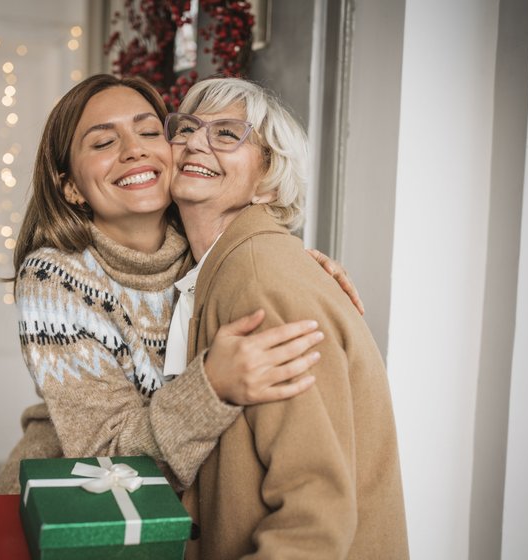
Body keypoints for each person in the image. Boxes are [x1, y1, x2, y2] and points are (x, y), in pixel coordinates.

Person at [0, 74, 362, 498]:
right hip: (81, 509)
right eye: (102, 143)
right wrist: (211, 386)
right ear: (71, 186)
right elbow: (108, 459)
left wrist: (299, 266)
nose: (134, 150)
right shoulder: (55, 278)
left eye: (150, 131)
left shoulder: (204, 247)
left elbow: (247, 242)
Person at [167, 78, 409, 558]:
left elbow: (315, 515)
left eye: (228, 134)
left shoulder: (260, 282)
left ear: (267, 179)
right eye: (187, 128)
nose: (196, 142)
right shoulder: (222, 267)